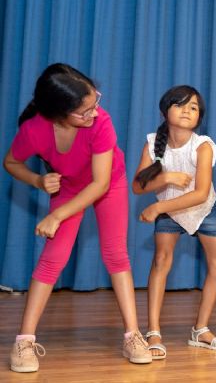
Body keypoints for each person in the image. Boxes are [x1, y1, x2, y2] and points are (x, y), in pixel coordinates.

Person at [4, 63, 151, 372]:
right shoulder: (34, 130)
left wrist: (56, 215)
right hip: (69, 187)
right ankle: (24, 340)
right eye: (84, 111)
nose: (94, 112)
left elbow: (99, 184)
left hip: (108, 182)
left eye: (95, 100)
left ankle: (133, 335)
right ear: (59, 114)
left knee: (115, 253)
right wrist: (37, 181)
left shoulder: (101, 122)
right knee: (53, 257)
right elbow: (11, 162)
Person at [132, 86, 216, 359]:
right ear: (165, 111)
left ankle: (201, 329)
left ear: (200, 117)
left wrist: (158, 206)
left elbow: (199, 194)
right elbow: (137, 187)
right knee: (161, 260)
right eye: (181, 104)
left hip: (201, 209)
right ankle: (153, 331)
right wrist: (165, 179)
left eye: (194, 107)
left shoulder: (204, 146)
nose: (188, 110)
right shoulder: (152, 144)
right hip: (170, 210)